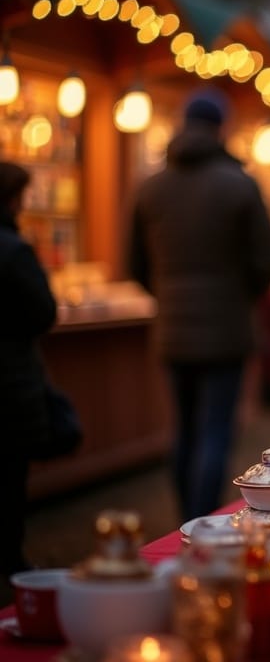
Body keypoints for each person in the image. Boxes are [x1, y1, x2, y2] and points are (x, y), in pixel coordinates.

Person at [128, 90, 270, 522]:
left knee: (184, 429)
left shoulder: (151, 187)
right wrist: (241, 296)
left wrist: (168, 295)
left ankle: (184, 519)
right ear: (221, 128)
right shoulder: (240, 184)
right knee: (216, 428)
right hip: (227, 328)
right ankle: (201, 522)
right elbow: (268, 258)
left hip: (172, 330)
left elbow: (133, 264)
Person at [0, 161, 58, 580]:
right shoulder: (13, 250)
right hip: (9, 377)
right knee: (9, 473)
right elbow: (44, 311)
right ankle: (10, 561)